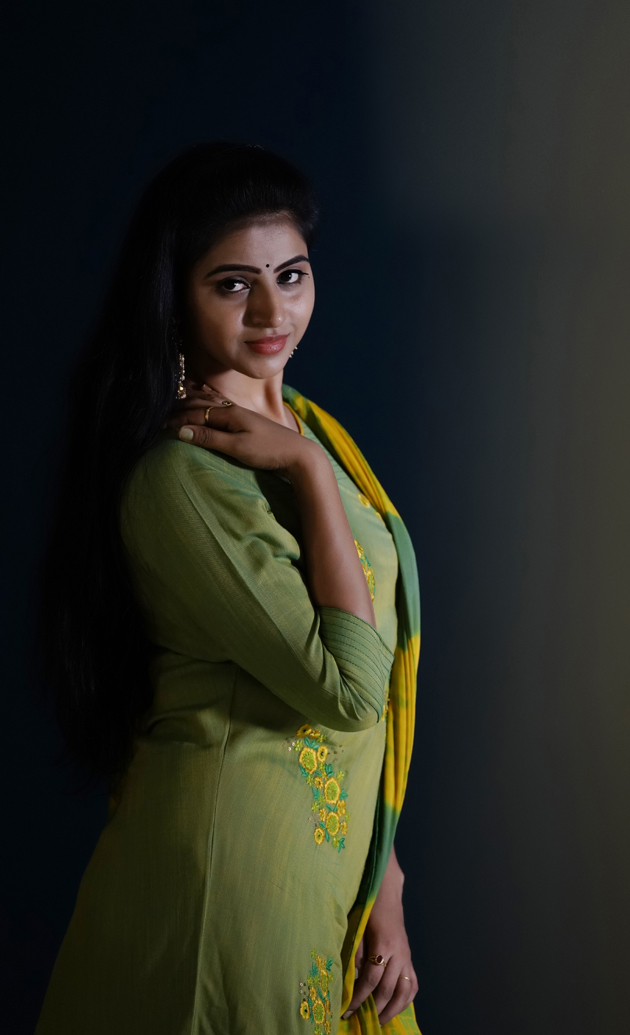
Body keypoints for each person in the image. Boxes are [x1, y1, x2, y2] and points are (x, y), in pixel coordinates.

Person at [36, 143, 421, 1035]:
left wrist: (387, 876)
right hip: (234, 880)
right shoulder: (183, 479)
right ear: (175, 297)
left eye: (291, 275)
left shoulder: (313, 429)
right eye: (232, 284)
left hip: (331, 870)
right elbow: (351, 691)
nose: (272, 310)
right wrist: (309, 478)